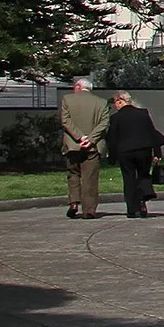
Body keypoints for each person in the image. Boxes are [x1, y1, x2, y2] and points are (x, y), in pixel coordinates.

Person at [104, 92, 164, 218]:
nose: (115, 106)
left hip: (125, 152)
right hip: (143, 151)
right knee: (143, 175)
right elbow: (152, 133)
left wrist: (111, 157)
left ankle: (132, 209)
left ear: (121, 101)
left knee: (129, 179)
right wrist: (157, 152)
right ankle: (142, 201)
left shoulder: (116, 118)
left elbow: (112, 139)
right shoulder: (143, 114)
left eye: (115, 103)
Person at [58, 77, 108, 220]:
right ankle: (89, 209)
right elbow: (104, 123)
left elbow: (65, 121)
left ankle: (74, 202)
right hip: (92, 147)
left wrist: (80, 137)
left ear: (79, 87)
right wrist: (91, 139)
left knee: (73, 174)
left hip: (73, 145)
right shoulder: (101, 102)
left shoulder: (67, 100)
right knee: (90, 178)